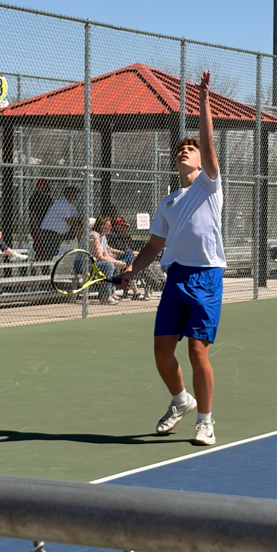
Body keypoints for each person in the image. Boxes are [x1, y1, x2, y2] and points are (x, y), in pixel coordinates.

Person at [118, 70, 224, 447]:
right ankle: (182, 400)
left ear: (201, 162)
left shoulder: (209, 186)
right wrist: (131, 270)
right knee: (162, 351)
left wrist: (204, 99)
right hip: (176, 279)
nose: (185, 151)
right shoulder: (166, 202)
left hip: (207, 278)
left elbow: (210, 146)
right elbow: (153, 247)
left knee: (197, 351)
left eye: (190, 149)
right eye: (180, 149)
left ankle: (206, 421)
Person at [89, 215, 131, 305]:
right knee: (109, 265)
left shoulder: (102, 237)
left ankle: (111, 293)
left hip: (96, 264)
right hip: (85, 264)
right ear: (102, 226)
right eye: (109, 226)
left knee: (113, 264)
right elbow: (99, 257)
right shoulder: (94, 236)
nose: (111, 227)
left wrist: (118, 262)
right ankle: (105, 296)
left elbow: (106, 255)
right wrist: (115, 262)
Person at [39, 187, 82, 262]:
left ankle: (82, 244)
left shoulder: (71, 205)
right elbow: (69, 220)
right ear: (67, 194)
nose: (76, 195)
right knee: (49, 254)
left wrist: (81, 221)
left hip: (61, 233)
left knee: (52, 253)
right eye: (74, 193)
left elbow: (77, 220)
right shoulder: (61, 204)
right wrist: (79, 220)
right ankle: (39, 266)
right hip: (49, 232)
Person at [29, 179, 53, 270]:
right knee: (40, 251)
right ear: (39, 186)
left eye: (47, 186)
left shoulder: (48, 198)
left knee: (48, 250)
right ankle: (36, 269)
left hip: (48, 228)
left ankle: (45, 268)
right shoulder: (34, 198)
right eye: (45, 185)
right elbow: (33, 215)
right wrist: (37, 229)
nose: (47, 187)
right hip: (39, 228)